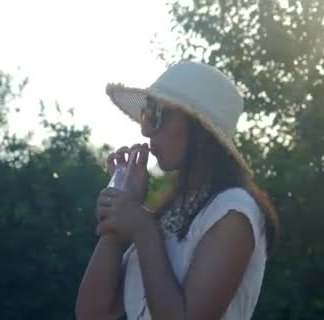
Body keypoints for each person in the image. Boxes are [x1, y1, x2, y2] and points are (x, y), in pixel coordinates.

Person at [75, 62, 280, 320]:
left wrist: (142, 228)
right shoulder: (171, 210)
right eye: (147, 115)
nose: (146, 130)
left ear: (199, 127)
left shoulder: (234, 211)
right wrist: (119, 220)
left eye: (157, 115)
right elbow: (91, 313)